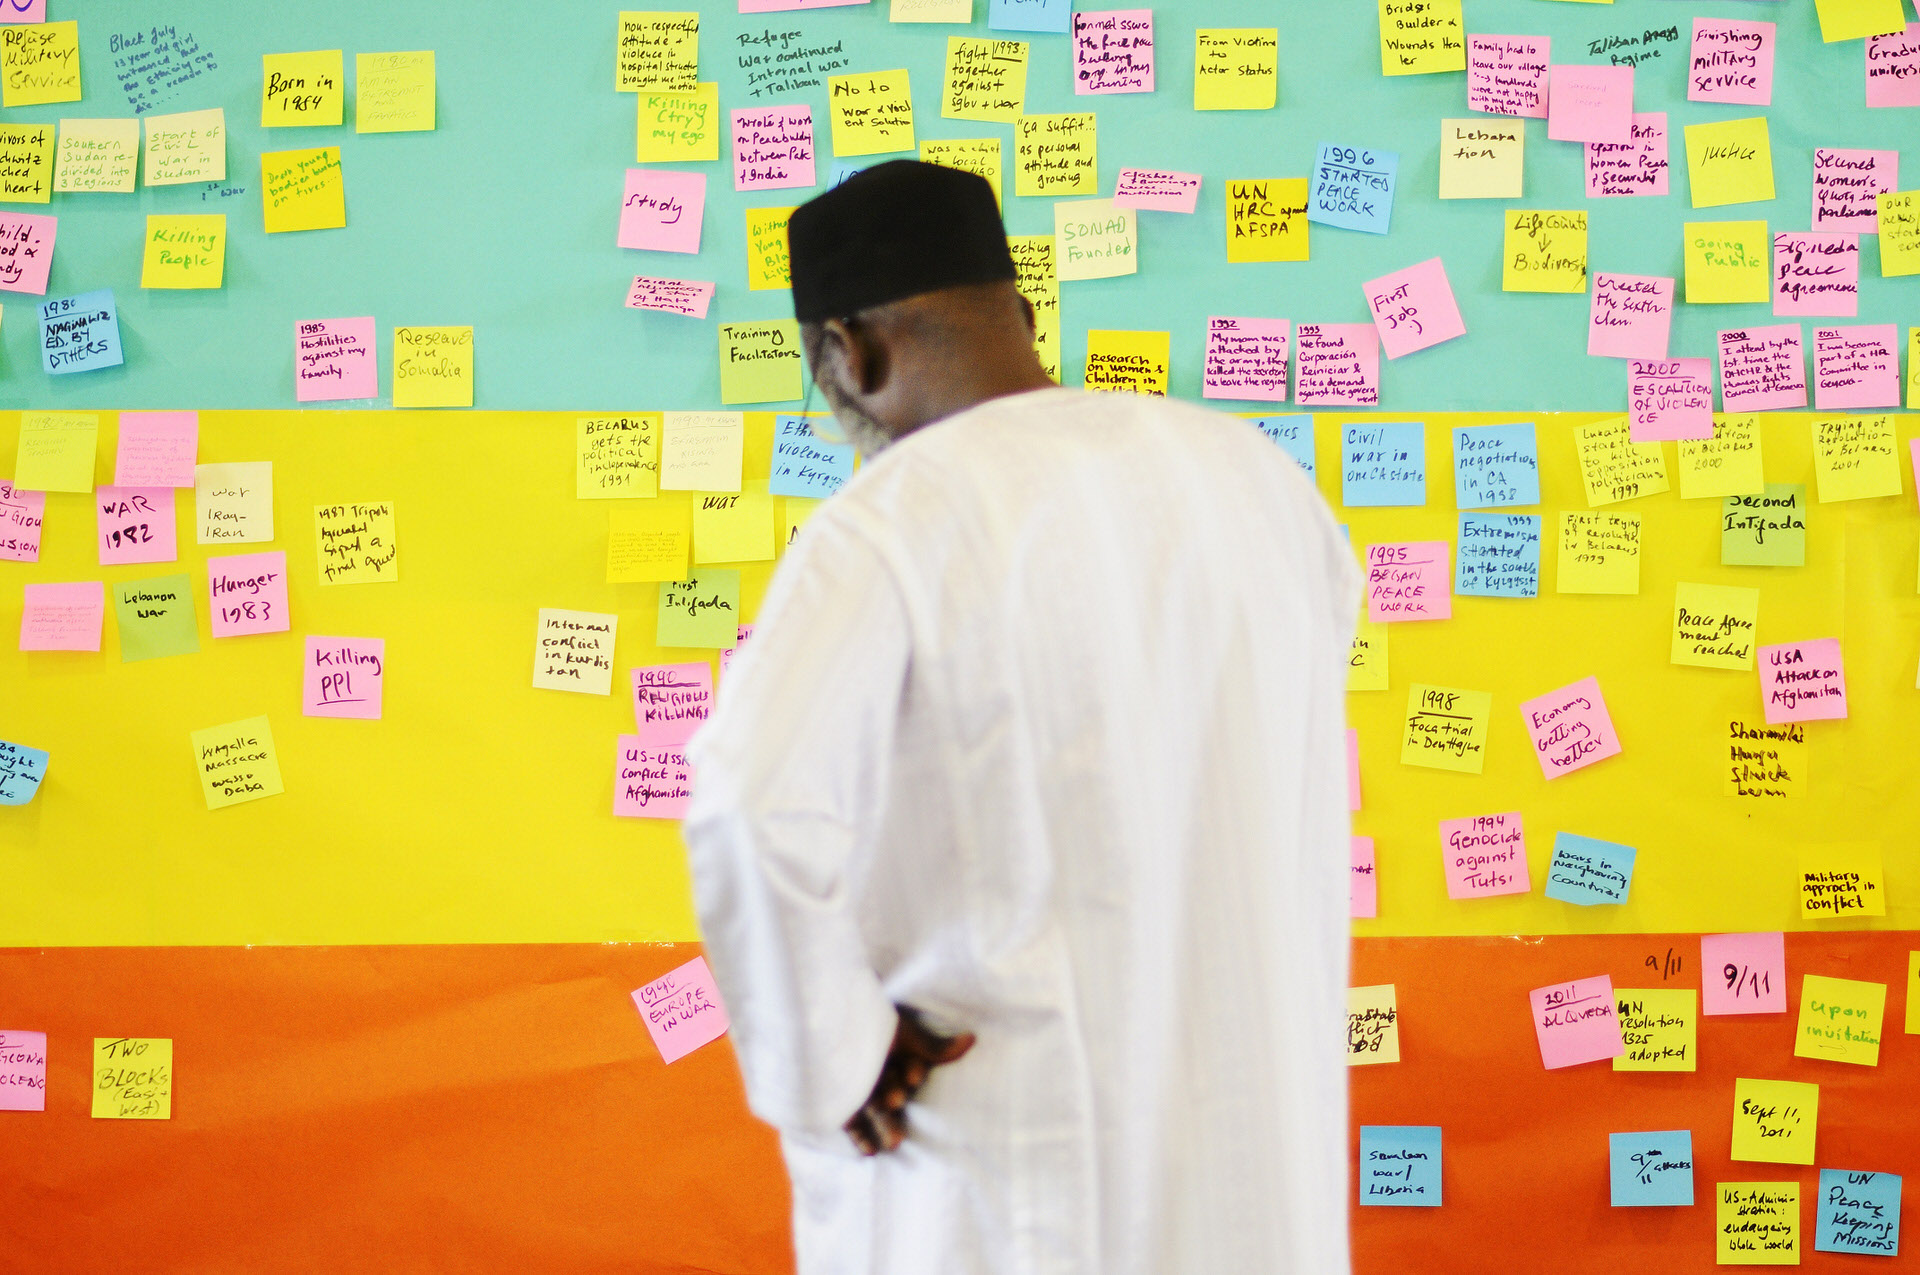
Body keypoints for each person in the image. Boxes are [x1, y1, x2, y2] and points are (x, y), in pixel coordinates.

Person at [682, 161, 1359, 1275]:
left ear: (850, 352)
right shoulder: (1260, 484)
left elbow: (748, 806)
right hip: (1253, 1174)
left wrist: (840, 1066)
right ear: (1023, 314)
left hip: (1009, 1176)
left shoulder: (892, 520)